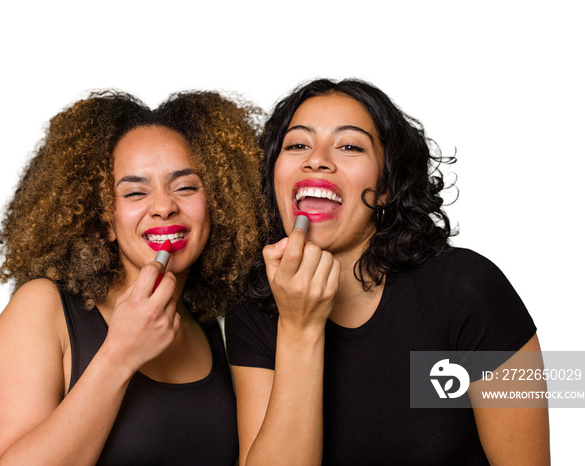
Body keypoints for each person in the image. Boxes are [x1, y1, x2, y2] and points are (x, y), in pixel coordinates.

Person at [225, 78, 550, 465]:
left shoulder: (468, 288)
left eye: (349, 146)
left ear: (385, 188)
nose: (317, 159)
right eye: (297, 145)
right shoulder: (252, 308)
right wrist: (299, 329)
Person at [0, 89, 266, 465]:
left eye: (186, 186)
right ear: (106, 220)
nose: (164, 206)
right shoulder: (43, 308)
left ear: (218, 205)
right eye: (135, 192)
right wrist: (119, 354)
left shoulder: (211, 327)